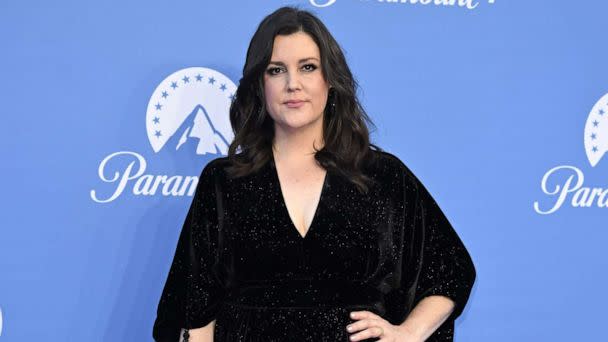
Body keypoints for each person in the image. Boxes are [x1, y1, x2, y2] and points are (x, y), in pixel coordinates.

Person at [152, 5, 476, 342]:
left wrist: (409, 333)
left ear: (330, 80)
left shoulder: (382, 176)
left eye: (308, 67)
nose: (293, 84)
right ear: (259, 85)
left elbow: (450, 269)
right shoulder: (224, 181)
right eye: (276, 70)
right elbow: (196, 306)